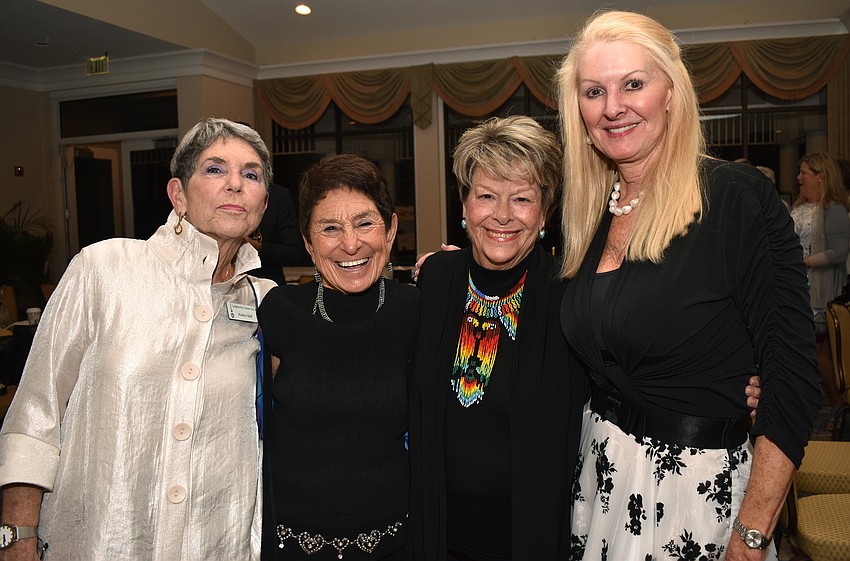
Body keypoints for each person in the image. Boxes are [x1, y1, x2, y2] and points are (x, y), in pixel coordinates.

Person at [556, 11, 821, 561]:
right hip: (601, 483)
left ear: (672, 93)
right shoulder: (591, 215)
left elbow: (792, 377)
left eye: (633, 84)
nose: (612, 107)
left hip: (695, 498)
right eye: (594, 91)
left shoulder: (733, 199)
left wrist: (753, 534)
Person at [0, 117, 275, 561]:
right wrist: (17, 535)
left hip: (217, 544)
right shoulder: (104, 269)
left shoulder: (266, 304)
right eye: (214, 169)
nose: (235, 184)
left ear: (262, 204)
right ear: (178, 195)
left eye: (251, 174)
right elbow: (36, 410)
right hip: (101, 541)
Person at [408, 115, 588, 560]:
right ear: (464, 204)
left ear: (544, 212)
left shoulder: (571, 295)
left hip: (531, 539)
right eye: (486, 195)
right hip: (436, 535)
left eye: (521, 198)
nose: (502, 215)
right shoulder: (434, 279)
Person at [259, 154, 418, 561]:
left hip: (395, 546)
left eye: (365, 223)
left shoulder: (416, 310)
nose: (350, 244)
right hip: (292, 547)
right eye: (330, 228)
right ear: (308, 242)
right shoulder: (280, 311)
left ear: (391, 230)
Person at [791, 152, 850, 420]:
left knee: (818, 351)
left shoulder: (833, 209)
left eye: (804, 172)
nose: (798, 178)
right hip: (798, 288)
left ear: (821, 176)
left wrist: (804, 262)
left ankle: (838, 405)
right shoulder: (799, 207)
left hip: (820, 290)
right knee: (807, 350)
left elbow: (839, 252)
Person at [245, 182, 308, 285]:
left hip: (266, 285)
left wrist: (258, 247)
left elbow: (293, 254)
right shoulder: (220, 191)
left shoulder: (278, 195)